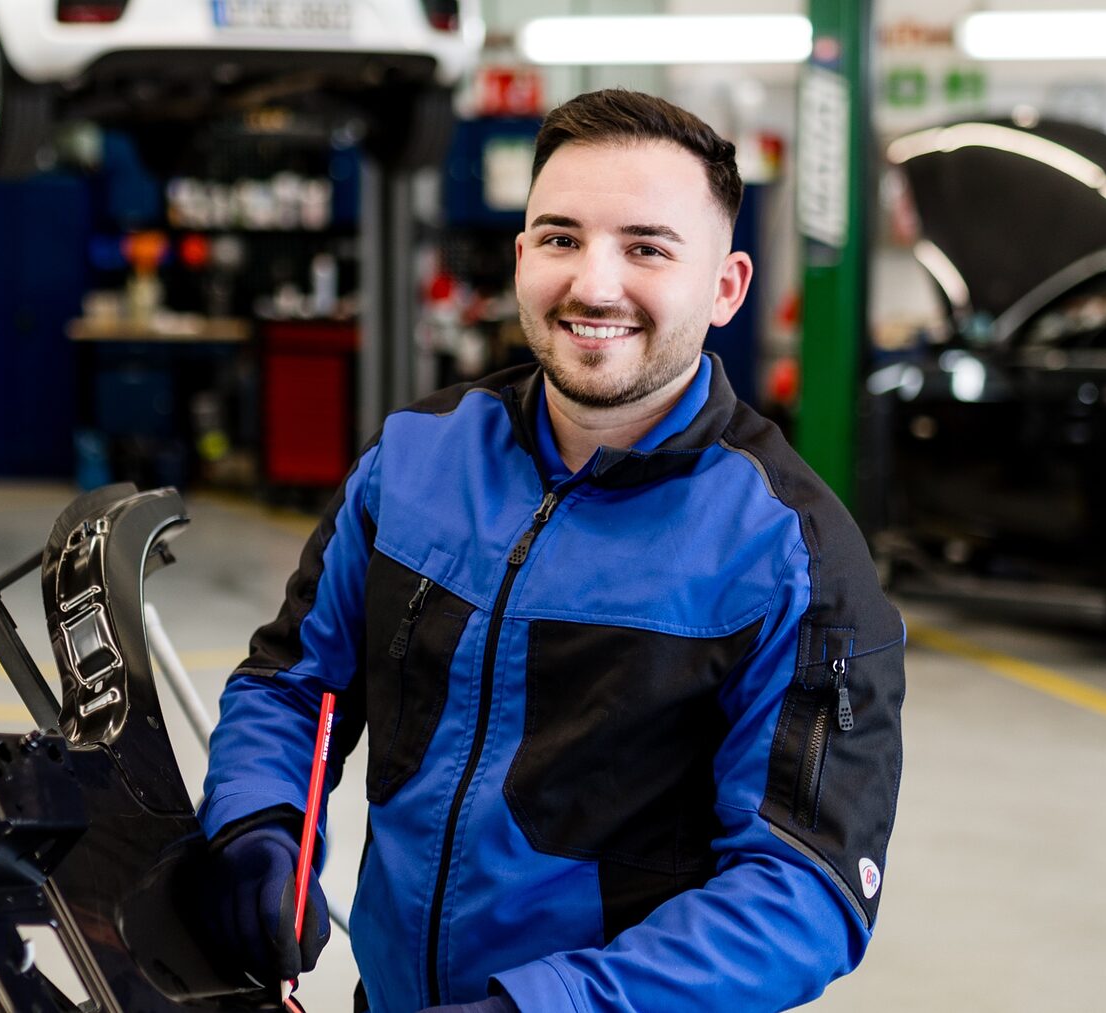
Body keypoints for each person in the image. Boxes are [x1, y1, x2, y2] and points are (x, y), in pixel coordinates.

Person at [199, 88, 905, 1013]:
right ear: (523, 253)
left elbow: (803, 889)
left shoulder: (792, 557)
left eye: (647, 248)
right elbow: (292, 683)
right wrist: (259, 821)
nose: (594, 285)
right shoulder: (415, 458)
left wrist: (548, 1003)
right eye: (561, 237)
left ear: (726, 287)